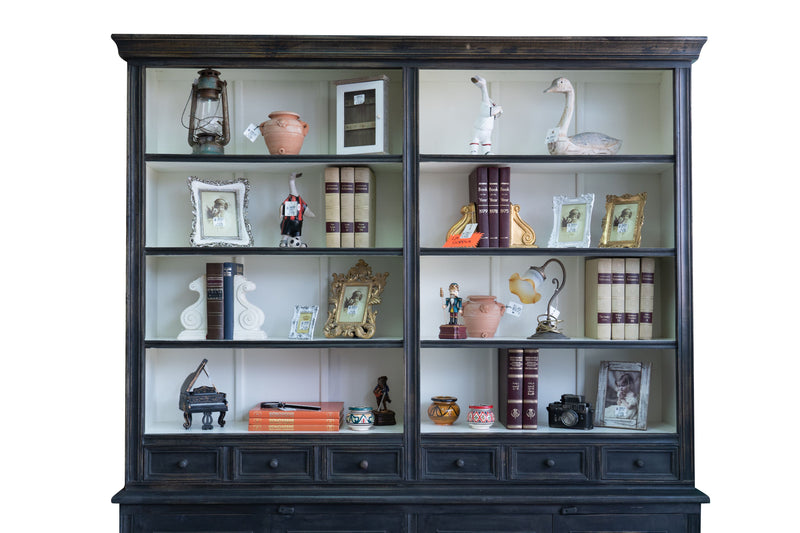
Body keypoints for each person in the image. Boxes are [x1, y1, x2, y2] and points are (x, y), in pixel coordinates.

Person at [280, 172, 315, 247]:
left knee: (297, 234)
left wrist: (310, 213)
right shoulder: (289, 199)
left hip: (298, 222)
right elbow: (282, 205)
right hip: (288, 221)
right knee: (286, 233)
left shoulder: (299, 200)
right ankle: (284, 242)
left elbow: (305, 208)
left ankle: (298, 243)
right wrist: (281, 213)